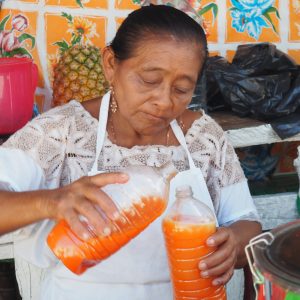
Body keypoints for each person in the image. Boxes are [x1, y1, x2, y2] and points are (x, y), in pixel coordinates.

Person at [0, 5, 261, 300]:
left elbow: (248, 225)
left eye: (181, 88)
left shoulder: (204, 137)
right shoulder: (62, 133)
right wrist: (51, 201)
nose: (163, 101)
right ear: (111, 63)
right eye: (149, 80)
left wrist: (234, 245)